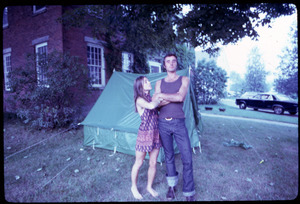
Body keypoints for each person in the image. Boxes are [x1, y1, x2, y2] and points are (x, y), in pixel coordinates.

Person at [152, 53, 196, 201]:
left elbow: (180, 97)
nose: (171, 63)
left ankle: (189, 192)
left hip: (179, 122)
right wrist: (171, 97)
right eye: (168, 61)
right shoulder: (159, 83)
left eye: (173, 61)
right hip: (163, 123)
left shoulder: (184, 79)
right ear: (164, 65)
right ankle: (171, 187)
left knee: (187, 157)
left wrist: (163, 97)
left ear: (176, 64)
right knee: (169, 156)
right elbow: (155, 104)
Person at [131, 76, 163, 200]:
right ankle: (133, 187)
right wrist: (159, 98)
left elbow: (156, 104)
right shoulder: (139, 99)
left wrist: (158, 98)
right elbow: (151, 106)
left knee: (153, 162)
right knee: (138, 162)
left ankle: (149, 187)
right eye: (145, 81)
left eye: (148, 80)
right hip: (144, 134)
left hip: (155, 133)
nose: (149, 82)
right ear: (140, 86)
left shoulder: (151, 98)